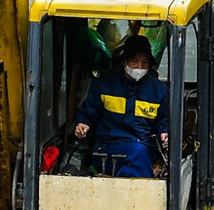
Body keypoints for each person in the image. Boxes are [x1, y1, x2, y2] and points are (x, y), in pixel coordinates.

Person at [71, 34, 169, 178]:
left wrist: (164, 132)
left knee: (139, 152)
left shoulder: (159, 91)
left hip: (145, 149)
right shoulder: (104, 86)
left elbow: (163, 120)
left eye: (145, 63)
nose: (139, 67)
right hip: (107, 150)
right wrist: (82, 124)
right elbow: (88, 112)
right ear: (124, 62)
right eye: (135, 61)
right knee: (138, 154)